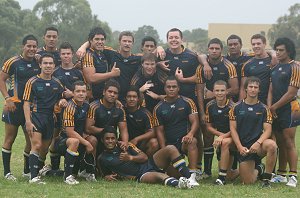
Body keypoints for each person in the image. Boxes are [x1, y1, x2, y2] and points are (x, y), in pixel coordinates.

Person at [98, 126, 197, 188]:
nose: (110, 141)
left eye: (112, 138)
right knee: (159, 176)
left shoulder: (125, 146)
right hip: (140, 175)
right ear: (102, 140)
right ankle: (179, 184)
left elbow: (144, 157)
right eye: (107, 139)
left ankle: (190, 179)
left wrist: (130, 158)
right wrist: (106, 176)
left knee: (170, 148)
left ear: (116, 138)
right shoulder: (102, 158)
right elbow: (103, 174)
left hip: (149, 163)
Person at [194, 38, 238, 178]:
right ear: (208, 50)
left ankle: (232, 168)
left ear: (221, 50)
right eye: (211, 48)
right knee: (207, 136)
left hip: (226, 106)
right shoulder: (201, 67)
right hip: (209, 107)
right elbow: (200, 92)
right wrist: (201, 113)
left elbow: (235, 88)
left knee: (230, 137)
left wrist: (218, 94)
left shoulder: (228, 66)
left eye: (217, 48)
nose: (214, 51)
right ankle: (206, 172)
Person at [40, 42, 85, 175]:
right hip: (58, 111)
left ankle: (73, 168)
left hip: (75, 113)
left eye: (68, 53)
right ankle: (53, 167)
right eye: (63, 54)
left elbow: (85, 91)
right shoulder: (54, 71)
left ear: (72, 54)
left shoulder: (78, 72)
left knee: (72, 137)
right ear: (59, 55)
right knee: (54, 139)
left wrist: (72, 95)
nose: (66, 56)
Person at [0, 35, 40, 180]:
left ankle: (26, 170)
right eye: (28, 46)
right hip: (13, 107)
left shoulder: (38, 61)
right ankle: (7, 173)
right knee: (10, 138)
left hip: (30, 108)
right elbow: (1, 79)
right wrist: (7, 98)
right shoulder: (13, 62)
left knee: (30, 140)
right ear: (23, 46)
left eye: (34, 46)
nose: (31, 49)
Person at [23, 53, 67, 183]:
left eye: (50, 63)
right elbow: (26, 103)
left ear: (54, 66)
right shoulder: (32, 81)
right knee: (36, 145)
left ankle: (38, 170)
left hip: (50, 119)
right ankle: (33, 177)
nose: (48, 66)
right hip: (36, 116)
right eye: (45, 63)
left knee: (44, 149)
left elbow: (61, 97)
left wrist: (62, 101)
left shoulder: (57, 82)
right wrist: (28, 122)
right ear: (40, 65)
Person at [229, 76, 277, 187]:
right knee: (247, 182)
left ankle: (266, 179)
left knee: (272, 145)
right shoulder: (235, 107)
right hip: (244, 147)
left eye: (256, 87)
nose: (253, 89)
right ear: (246, 89)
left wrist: (258, 143)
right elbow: (233, 129)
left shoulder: (264, 108)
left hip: (258, 146)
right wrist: (239, 146)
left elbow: (268, 130)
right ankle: (260, 168)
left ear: (259, 90)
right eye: (250, 87)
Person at [153, 76, 200, 178]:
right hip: (170, 145)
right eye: (168, 87)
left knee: (193, 141)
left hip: (184, 141)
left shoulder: (188, 102)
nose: (171, 89)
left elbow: (195, 121)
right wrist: (164, 149)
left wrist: (190, 134)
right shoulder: (158, 108)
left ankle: (192, 175)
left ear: (178, 88)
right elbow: (159, 131)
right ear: (164, 88)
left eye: (174, 86)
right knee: (176, 176)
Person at [53, 81, 97, 184]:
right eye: (78, 91)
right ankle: (67, 177)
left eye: (83, 91)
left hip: (79, 138)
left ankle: (88, 171)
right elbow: (70, 132)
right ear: (73, 92)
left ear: (86, 93)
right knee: (75, 141)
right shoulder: (69, 106)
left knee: (93, 140)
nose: (81, 93)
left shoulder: (87, 106)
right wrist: (86, 143)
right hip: (63, 141)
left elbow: (87, 127)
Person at [269, 37, 300, 187]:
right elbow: (271, 90)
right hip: (275, 110)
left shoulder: (294, 67)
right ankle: (281, 174)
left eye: (281, 50)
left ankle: (293, 175)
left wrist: (274, 107)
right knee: (280, 142)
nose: (278, 53)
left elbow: (291, 93)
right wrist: (270, 108)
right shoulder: (274, 69)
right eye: (277, 50)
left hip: (290, 109)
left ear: (289, 51)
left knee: (289, 142)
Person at [205, 80, 238, 185]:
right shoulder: (210, 105)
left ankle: (221, 178)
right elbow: (208, 127)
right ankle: (255, 168)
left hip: (235, 136)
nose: (219, 93)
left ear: (226, 92)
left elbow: (236, 129)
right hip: (223, 137)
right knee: (230, 176)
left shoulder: (233, 107)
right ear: (213, 92)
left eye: (222, 90)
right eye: (217, 90)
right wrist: (220, 136)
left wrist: (222, 137)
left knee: (225, 143)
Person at [86, 79, 129, 156]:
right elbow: (88, 128)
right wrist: (106, 130)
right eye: (110, 91)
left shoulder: (120, 108)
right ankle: (92, 166)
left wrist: (125, 143)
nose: (112, 94)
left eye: (115, 93)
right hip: (96, 138)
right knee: (92, 140)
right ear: (104, 92)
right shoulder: (94, 106)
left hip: (111, 140)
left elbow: (124, 130)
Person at [81, 27, 120, 100]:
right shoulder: (88, 54)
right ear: (90, 40)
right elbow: (91, 78)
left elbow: (122, 53)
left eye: (102, 39)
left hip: (103, 97)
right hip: (91, 98)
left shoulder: (104, 51)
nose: (100, 42)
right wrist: (111, 74)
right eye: (97, 39)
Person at [240, 34, 274, 104]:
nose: (256, 46)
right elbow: (243, 88)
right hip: (254, 103)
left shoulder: (273, 60)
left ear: (264, 44)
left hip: (272, 101)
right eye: (253, 44)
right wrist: (241, 105)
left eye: (258, 44)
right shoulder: (247, 64)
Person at [125, 86, 159, 156]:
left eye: (134, 97)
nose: (131, 99)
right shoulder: (122, 109)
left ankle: (146, 164)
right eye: (129, 96)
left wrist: (136, 139)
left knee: (154, 143)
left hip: (141, 142)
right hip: (125, 141)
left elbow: (152, 132)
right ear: (125, 98)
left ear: (138, 99)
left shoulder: (145, 113)